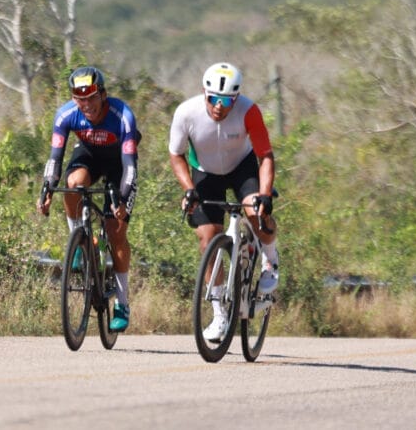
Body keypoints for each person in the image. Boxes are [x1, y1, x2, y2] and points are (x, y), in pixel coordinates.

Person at [168, 62, 278, 343]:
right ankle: (219, 315)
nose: (219, 106)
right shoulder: (186, 113)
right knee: (207, 240)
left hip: (242, 167)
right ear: (204, 94)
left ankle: (269, 261)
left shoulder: (248, 111)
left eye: (226, 100)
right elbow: (176, 155)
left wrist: (265, 193)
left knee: (255, 210)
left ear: (236, 98)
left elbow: (265, 155)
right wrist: (188, 189)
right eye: (214, 99)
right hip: (205, 172)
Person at [37, 66, 141, 332]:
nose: (86, 104)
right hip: (90, 155)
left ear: (103, 94)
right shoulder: (66, 115)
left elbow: (130, 166)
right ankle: (81, 240)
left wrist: (123, 198)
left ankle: (122, 302)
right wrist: (46, 191)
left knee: (115, 232)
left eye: (92, 97)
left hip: (119, 163)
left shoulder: (122, 116)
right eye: (79, 98)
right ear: (73, 98)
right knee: (73, 185)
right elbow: (54, 158)